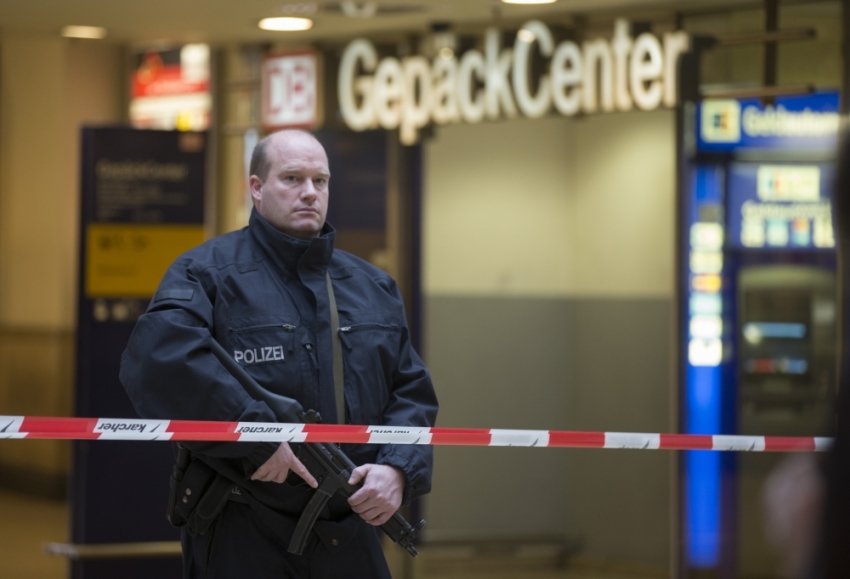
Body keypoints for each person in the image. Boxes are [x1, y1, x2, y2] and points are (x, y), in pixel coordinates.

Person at [120, 129, 438, 578]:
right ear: (256, 188)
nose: (309, 192)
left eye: (320, 181)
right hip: (242, 527)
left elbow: (412, 393)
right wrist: (254, 434)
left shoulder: (373, 287)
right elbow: (158, 360)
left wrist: (398, 470)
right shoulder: (207, 273)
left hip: (347, 530)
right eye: (292, 178)